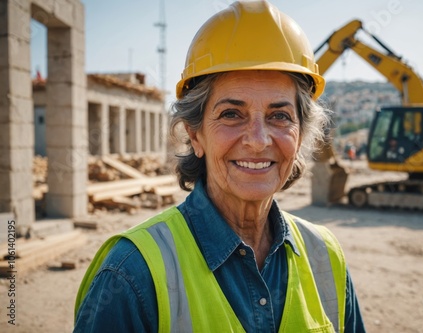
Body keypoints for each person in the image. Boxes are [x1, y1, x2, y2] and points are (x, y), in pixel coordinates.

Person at [74, 1, 366, 332]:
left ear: (300, 137)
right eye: (231, 114)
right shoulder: (132, 273)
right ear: (194, 135)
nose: (258, 140)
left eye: (279, 115)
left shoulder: (326, 256)